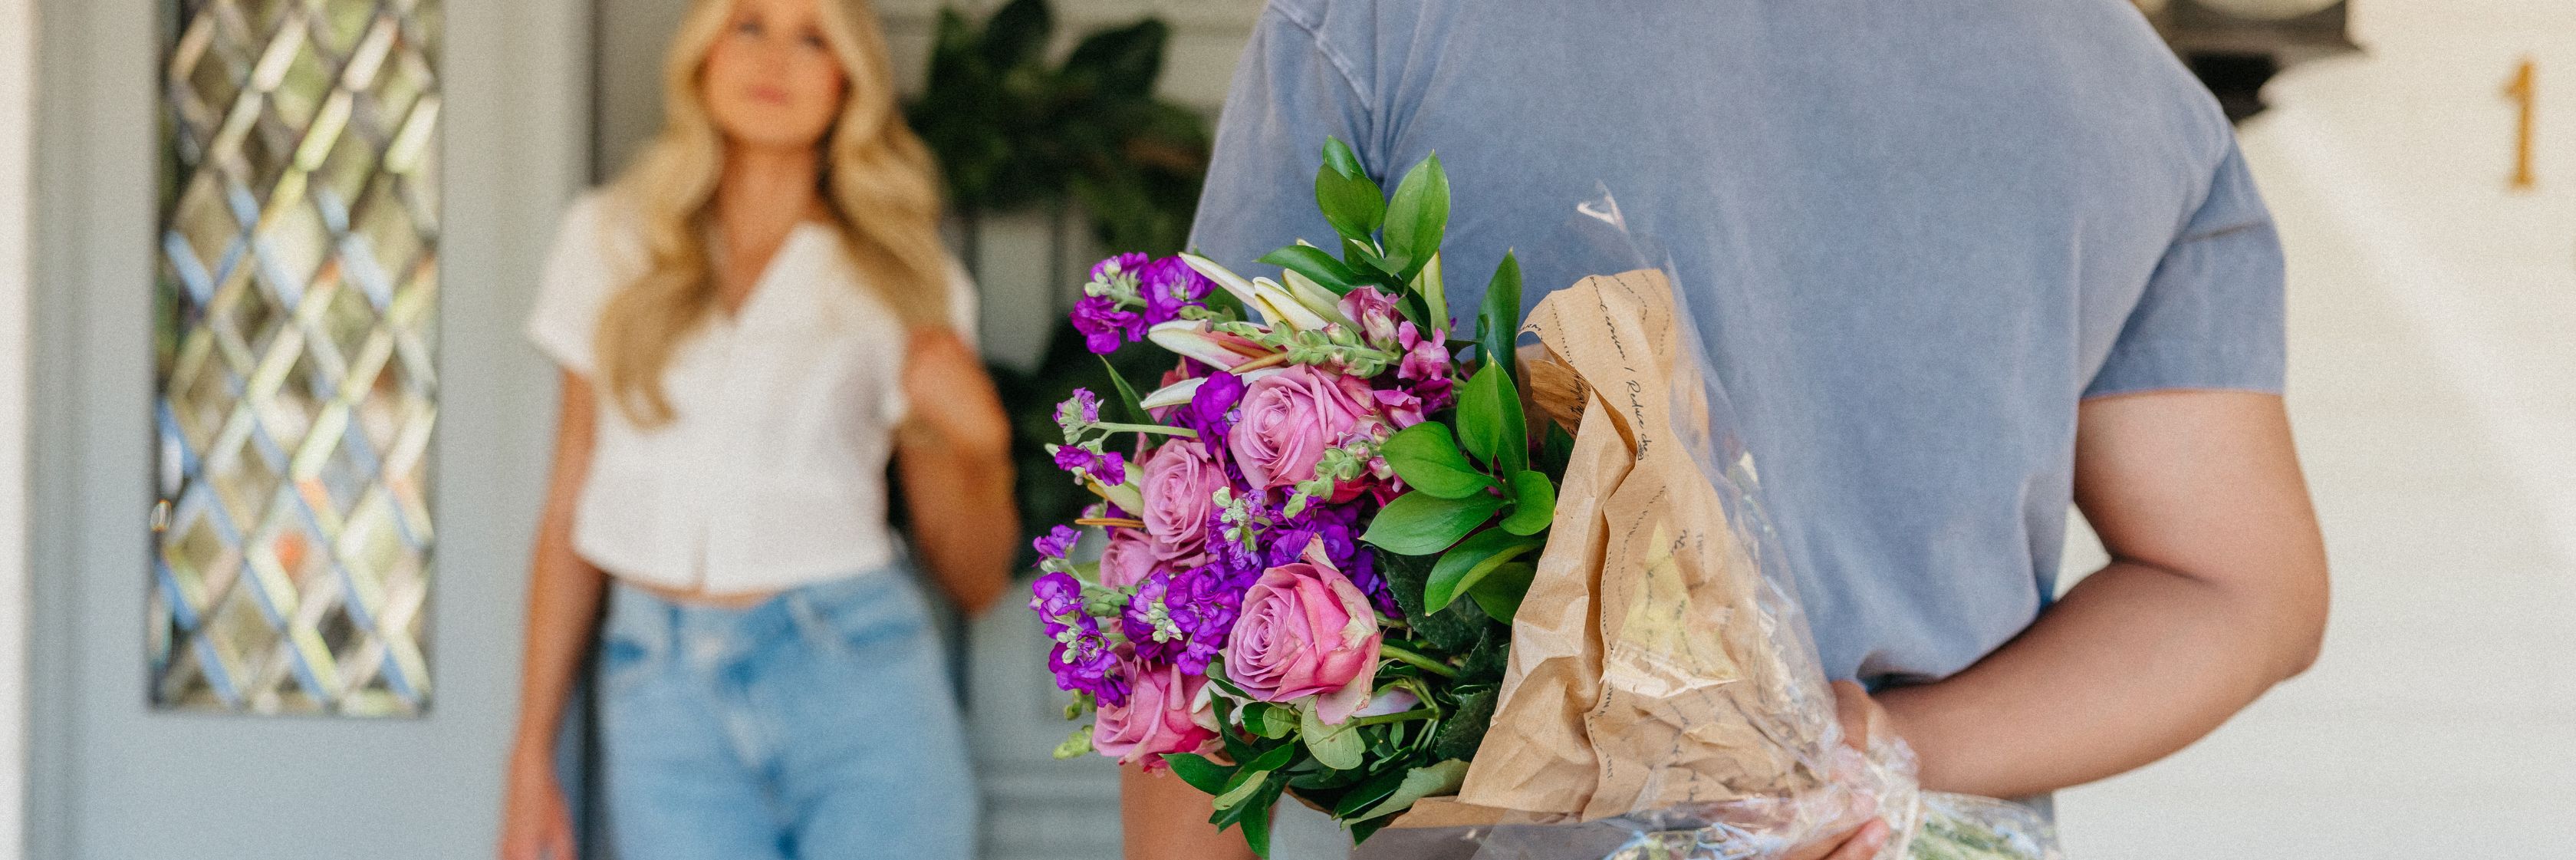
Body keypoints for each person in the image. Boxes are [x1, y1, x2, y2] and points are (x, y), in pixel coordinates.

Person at [1133, 1, 2331, 858]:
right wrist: (1865, 751)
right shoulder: (2121, 81)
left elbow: (1194, 557)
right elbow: (2238, 587)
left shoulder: (1392, 22)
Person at [496, 0, 1015, 858]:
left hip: (856, 680)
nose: (774, 58)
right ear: (701, 53)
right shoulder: (609, 239)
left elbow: (974, 577)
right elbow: (566, 516)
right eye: (748, 24)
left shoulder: (904, 277)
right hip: (660, 697)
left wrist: (982, 447)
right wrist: (530, 755)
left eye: (813, 37)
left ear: (848, 78)